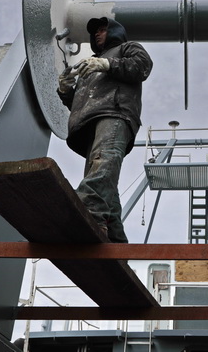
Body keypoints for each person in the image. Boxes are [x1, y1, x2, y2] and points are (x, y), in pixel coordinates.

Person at [57, 17, 153, 243]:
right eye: (96, 32)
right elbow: (82, 102)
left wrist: (108, 64)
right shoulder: (90, 63)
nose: (98, 34)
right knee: (102, 175)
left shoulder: (127, 48)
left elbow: (142, 67)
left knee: (103, 163)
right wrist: (65, 90)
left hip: (115, 113)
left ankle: (88, 214)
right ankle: (116, 240)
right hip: (90, 120)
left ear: (114, 31)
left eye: (103, 30)